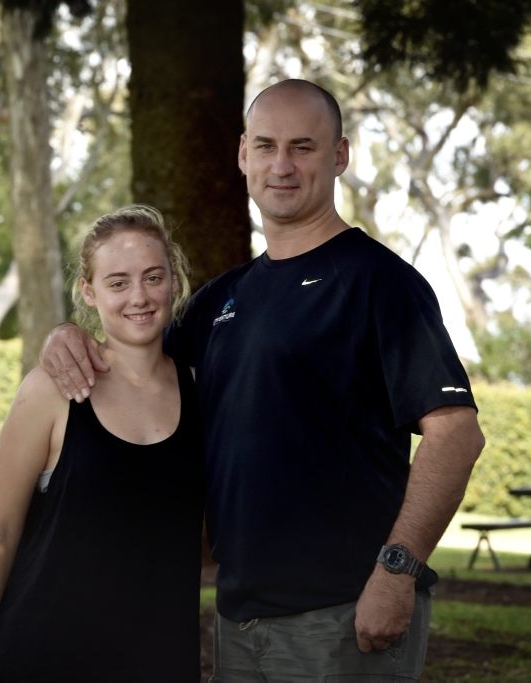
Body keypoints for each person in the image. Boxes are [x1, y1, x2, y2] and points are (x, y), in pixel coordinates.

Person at [41, 79, 485, 680]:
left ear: (339, 157)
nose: (282, 165)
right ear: (243, 154)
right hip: (238, 617)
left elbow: (456, 434)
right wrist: (67, 337)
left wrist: (397, 572)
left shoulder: (381, 283)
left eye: (303, 147)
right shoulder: (224, 298)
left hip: (343, 612)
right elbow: (134, 368)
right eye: (268, 146)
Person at [0, 205, 204, 682]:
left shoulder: (205, 394)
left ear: (174, 281)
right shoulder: (52, 391)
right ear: (88, 292)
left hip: (159, 661)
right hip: (42, 655)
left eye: (154, 277)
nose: (139, 296)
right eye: (117, 282)